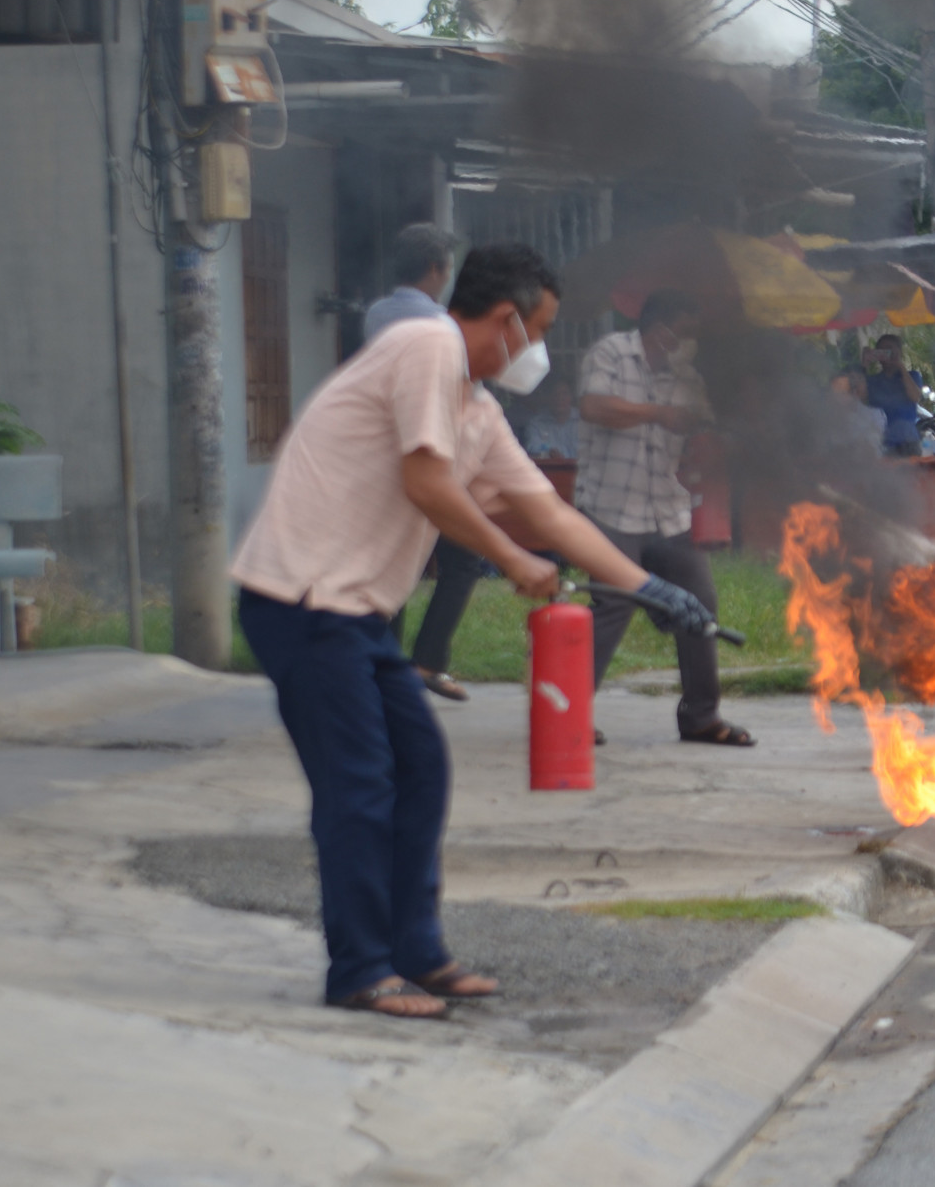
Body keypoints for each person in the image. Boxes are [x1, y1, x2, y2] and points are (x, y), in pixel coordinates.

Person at [232, 244, 714, 1021]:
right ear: (505, 318)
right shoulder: (426, 345)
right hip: (303, 601)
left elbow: (551, 513)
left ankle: (417, 953)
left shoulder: (477, 411)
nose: (540, 351)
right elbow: (427, 482)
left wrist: (651, 587)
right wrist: (515, 561)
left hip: (355, 615)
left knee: (420, 769)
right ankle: (360, 968)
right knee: (359, 786)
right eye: (542, 329)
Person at [577, 290, 755, 747]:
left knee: (699, 602)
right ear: (663, 330)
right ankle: (570, 715)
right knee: (614, 604)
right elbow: (594, 406)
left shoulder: (687, 376)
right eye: (688, 333)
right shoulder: (611, 353)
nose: (691, 343)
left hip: (667, 510)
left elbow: (704, 428)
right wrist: (660, 414)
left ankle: (700, 716)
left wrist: (721, 438)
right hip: (610, 508)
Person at [367, 225, 482, 701]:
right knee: (462, 562)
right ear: (437, 270)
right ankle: (428, 661)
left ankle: (390, 667)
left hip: (385, 455)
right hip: (433, 455)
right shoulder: (443, 327)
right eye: (449, 266)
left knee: (396, 561)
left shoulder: (377, 314)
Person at [364, 223, 456, 341]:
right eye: (449, 268)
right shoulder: (443, 320)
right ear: (433, 269)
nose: (448, 277)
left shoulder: (375, 313)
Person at [862, 333, 925, 456]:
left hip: (908, 442)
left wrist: (900, 366)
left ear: (899, 351)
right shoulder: (872, 381)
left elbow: (915, 397)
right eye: (882, 350)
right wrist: (864, 365)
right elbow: (858, 399)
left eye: (890, 349)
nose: (886, 353)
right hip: (881, 442)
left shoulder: (912, 376)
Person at [831, 365, 888, 456]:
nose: (855, 385)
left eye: (860, 380)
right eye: (852, 381)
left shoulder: (876, 414)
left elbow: (872, 446)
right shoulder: (831, 416)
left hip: (869, 467)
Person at [525, 377, 581, 459]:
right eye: (556, 394)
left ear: (571, 397)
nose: (560, 398)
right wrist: (548, 454)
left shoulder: (583, 421)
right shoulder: (536, 424)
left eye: (565, 393)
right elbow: (533, 449)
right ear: (548, 398)